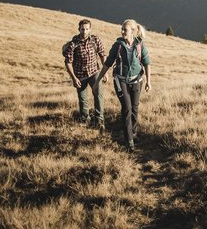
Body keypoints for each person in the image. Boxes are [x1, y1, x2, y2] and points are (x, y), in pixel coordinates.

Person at [95, 18, 151, 152]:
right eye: (122, 29)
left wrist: (149, 81)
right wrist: (98, 81)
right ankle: (129, 141)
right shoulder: (118, 45)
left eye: (124, 29)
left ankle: (134, 133)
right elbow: (108, 63)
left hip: (137, 80)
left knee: (135, 108)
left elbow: (147, 63)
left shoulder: (140, 45)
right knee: (127, 108)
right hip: (121, 81)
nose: (122, 31)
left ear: (133, 31)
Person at [63, 19, 107, 128]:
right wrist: (74, 78)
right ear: (79, 29)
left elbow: (102, 55)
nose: (85, 31)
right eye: (82, 29)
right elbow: (68, 62)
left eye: (87, 29)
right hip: (80, 75)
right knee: (83, 99)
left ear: (90, 29)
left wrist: (105, 72)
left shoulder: (95, 40)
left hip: (94, 73)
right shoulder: (73, 44)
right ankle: (85, 120)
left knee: (98, 94)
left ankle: (99, 120)